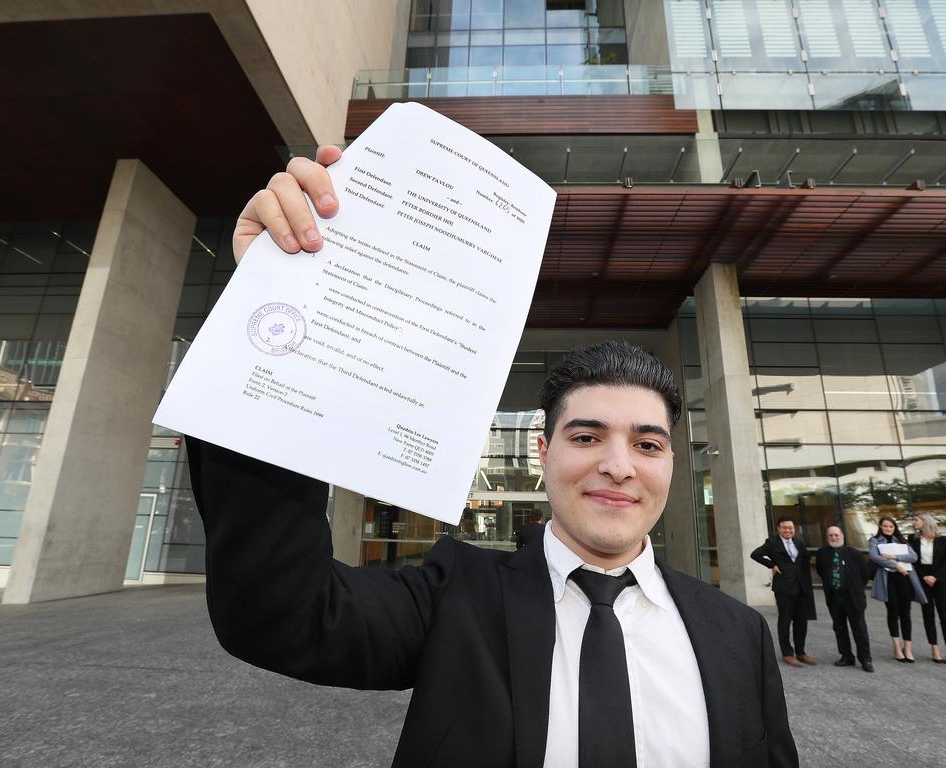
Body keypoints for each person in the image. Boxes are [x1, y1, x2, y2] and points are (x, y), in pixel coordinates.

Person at [187, 148, 798, 767]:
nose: (619, 465)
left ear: (670, 462)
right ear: (543, 451)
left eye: (647, 444)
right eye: (587, 437)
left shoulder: (739, 635)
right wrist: (270, 297)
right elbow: (279, 615)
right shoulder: (456, 600)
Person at [750, 517, 817, 667]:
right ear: (779, 529)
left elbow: (805, 557)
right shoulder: (772, 543)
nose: (788, 530)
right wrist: (772, 565)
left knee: (801, 621)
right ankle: (787, 653)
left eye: (791, 528)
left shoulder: (798, 542)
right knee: (785, 620)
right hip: (784, 587)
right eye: (785, 528)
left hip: (800, 587)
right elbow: (755, 554)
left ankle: (801, 652)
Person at [814, 525, 873, 672]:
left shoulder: (855, 554)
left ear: (842, 536)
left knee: (859, 629)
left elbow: (865, 575)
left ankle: (865, 659)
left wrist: (853, 586)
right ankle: (846, 656)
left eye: (836, 535)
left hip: (853, 598)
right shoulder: (822, 553)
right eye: (831, 536)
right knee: (839, 628)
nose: (834, 538)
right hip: (834, 597)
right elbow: (821, 571)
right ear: (827, 538)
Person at [869, 516, 927, 663]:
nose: (888, 529)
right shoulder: (875, 541)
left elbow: (913, 557)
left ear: (894, 528)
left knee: (906, 613)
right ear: (880, 527)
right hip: (888, 580)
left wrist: (894, 556)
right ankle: (896, 647)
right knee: (893, 612)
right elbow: (874, 556)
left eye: (891, 526)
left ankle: (907, 648)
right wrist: (897, 565)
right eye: (885, 526)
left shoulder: (901, 540)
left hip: (905, 579)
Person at [908, 513, 946, 663]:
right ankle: (935, 651)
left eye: (916, 520)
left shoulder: (943, 540)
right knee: (928, 615)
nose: (914, 522)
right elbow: (914, 561)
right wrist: (924, 577)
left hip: (941, 580)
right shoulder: (913, 540)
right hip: (923, 579)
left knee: (944, 615)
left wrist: (935, 577)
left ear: (925, 522)